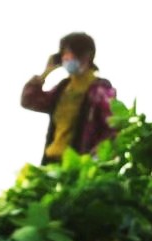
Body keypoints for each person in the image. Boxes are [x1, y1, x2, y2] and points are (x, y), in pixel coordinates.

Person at [20, 31, 118, 164]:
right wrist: (45, 73)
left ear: (86, 55)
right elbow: (29, 101)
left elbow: (112, 128)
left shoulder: (100, 90)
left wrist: (94, 158)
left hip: (78, 163)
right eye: (63, 54)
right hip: (53, 158)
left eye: (69, 53)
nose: (66, 58)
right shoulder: (63, 88)